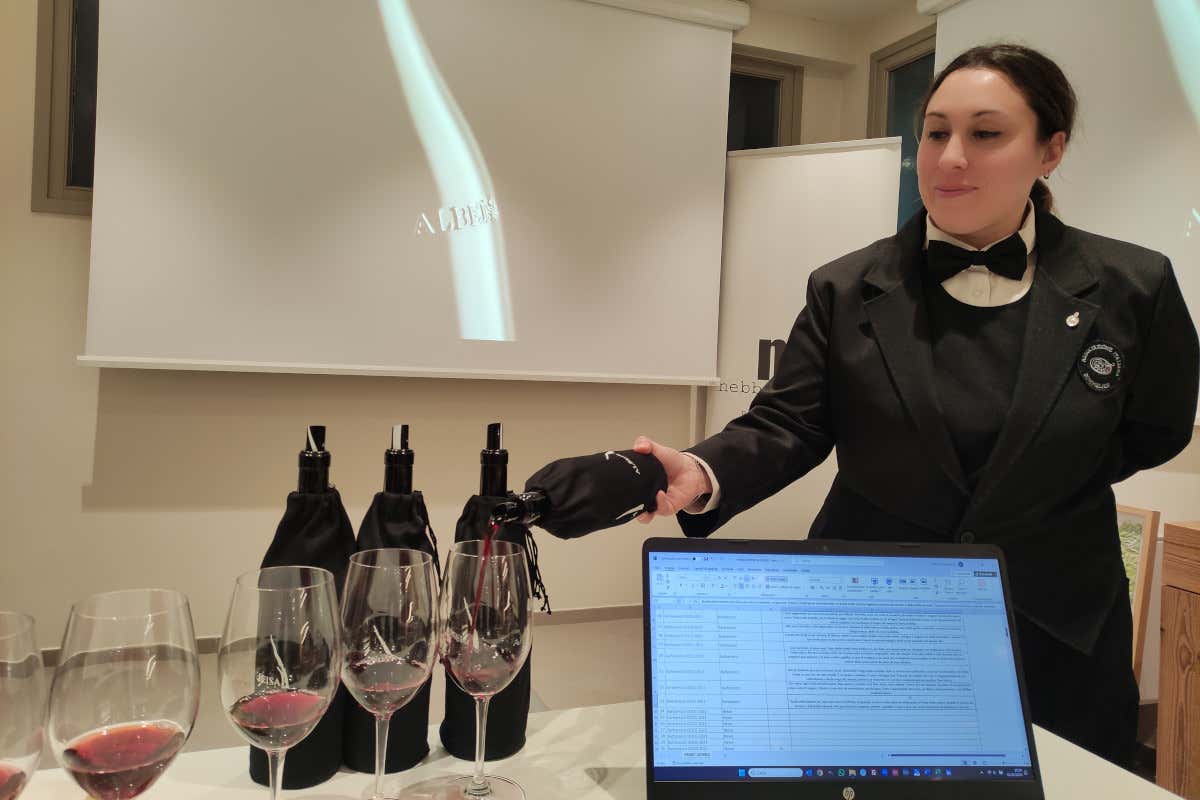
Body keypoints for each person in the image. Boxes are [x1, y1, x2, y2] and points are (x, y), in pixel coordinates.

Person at [631, 44, 1199, 769]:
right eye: (935, 132)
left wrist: (1041, 481)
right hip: (873, 614)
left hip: (1059, 619)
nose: (950, 157)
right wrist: (703, 470)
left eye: (986, 133)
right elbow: (789, 423)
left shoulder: (1134, 285)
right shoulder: (846, 287)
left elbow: (1155, 428)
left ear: (1050, 151)